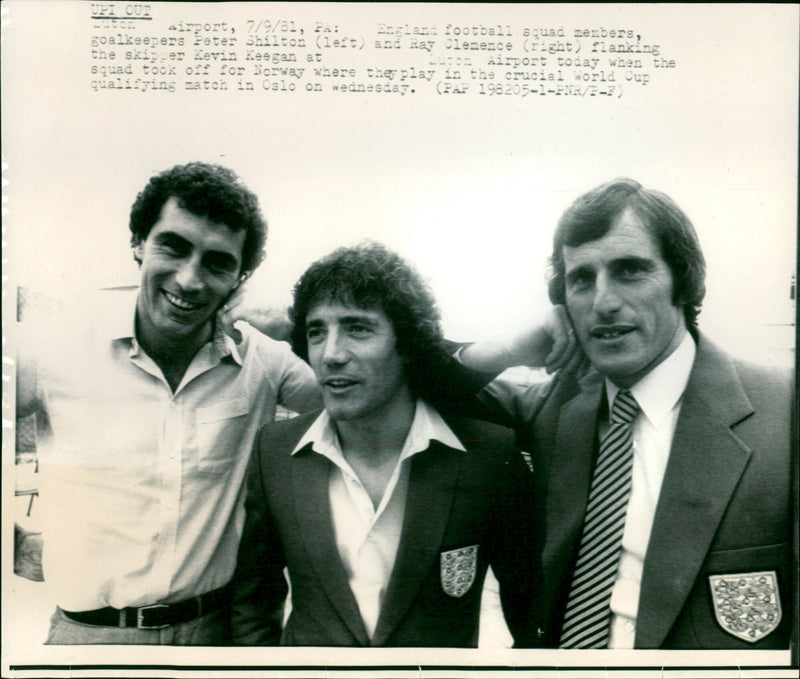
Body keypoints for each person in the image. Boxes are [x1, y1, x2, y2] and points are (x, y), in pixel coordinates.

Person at [459, 178, 794, 649]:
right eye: (581, 279)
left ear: (682, 281)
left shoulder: (785, 413)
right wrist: (506, 350)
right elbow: (426, 381)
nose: (603, 302)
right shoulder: (548, 408)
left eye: (630, 270)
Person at [16, 162, 321, 645]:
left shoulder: (265, 359)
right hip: (91, 641)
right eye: (173, 247)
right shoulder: (55, 345)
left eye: (219, 262)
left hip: (215, 636)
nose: (189, 280)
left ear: (241, 276)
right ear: (138, 242)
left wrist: (296, 326)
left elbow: (369, 399)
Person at [231, 242, 543, 647]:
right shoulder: (275, 451)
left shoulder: (488, 456)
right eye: (316, 332)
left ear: (407, 344)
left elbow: (531, 615)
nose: (331, 355)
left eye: (358, 328)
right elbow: (253, 606)